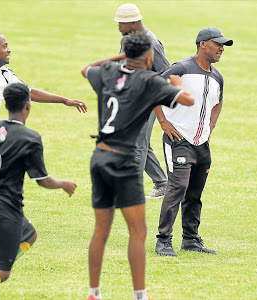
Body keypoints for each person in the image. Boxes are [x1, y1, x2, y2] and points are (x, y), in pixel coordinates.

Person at [0, 32, 86, 275]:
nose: (9, 50)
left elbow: (28, 91)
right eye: (5, 46)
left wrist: (64, 100)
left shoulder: (5, 74)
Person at [81, 33, 194, 300]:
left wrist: (120, 57)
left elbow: (86, 69)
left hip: (99, 156)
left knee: (101, 229)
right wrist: (178, 85)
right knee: (137, 231)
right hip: (125, 160)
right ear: (149, 56)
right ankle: (140, 295)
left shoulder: (107, 71)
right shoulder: (150, 81)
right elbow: (187, 100)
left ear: (125, 53)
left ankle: (94, 293)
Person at [0, 83, 77, 300]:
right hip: (5, 207)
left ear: (6, 105)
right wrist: (63, 183)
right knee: (2, 272)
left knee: (29, 234)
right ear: (27, 106)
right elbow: (42, 180)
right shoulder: (30, 137)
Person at [154, 27, 233, 256]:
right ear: (202, 44)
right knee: (177, 187)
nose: (221, 49)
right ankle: (163, 240)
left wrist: (212, 125)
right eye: (218, 44)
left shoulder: (217, 76)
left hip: (201, 144)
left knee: (195, 192)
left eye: (223, 46)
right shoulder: (182, 69)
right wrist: (163, 122)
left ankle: (190, 239)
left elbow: (218, 102)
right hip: (178, 139)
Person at [88, 3, 170, 199]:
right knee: (137, 141)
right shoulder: (127, 39)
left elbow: (165, 72)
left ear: (133, 22)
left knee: (138, 143)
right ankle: (161, 183)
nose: (118, 27)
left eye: (121, 24)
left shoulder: (151, 43)